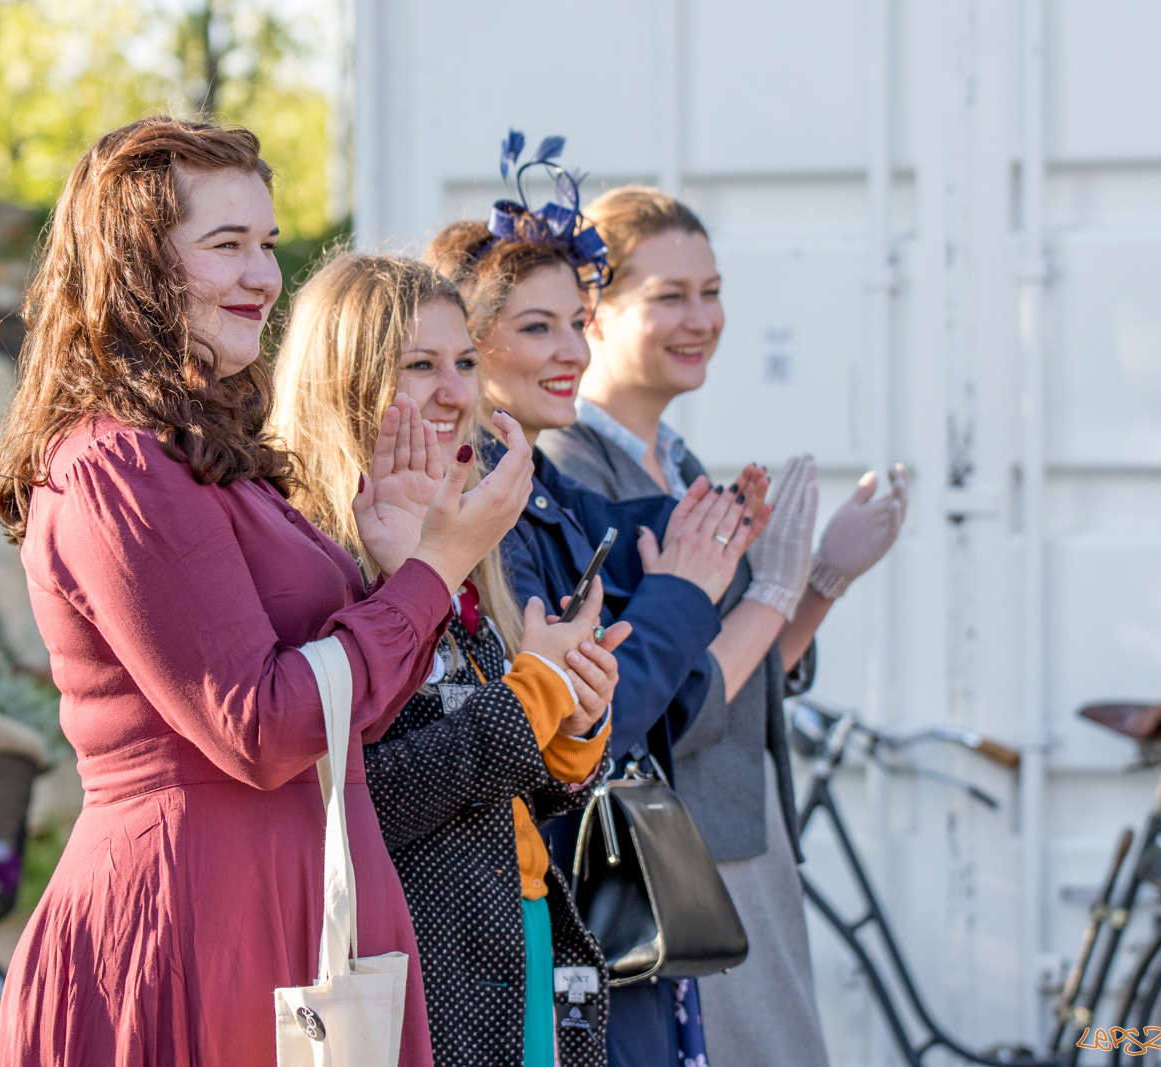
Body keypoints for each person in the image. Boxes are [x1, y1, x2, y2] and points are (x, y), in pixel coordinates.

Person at [0, 117, 537, 1066]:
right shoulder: (114, 464)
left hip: (290, 899)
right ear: (138, 270)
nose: (261, 276)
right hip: (194, 921)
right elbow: (260, 722)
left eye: (268, 245)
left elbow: (339, 713)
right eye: (225, 245)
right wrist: (435, 570)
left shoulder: (208, 454)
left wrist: (390, 561)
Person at [424, 133, 775, 1067]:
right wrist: (687, 586)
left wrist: (726, 530)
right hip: (549, 899)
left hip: (600, 905)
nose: (575, 350)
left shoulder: (550, 490)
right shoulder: (479, 507)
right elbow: (598, 716)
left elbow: (672, 681)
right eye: (539, 327)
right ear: (468, 345)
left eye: (578, 323)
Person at [539, 185, 910, 1067]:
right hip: (673, 857)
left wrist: (820, 578)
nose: (701, 317)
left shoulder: (679, 461)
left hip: (741, 834)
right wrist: (779, 585)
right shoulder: (571, 466)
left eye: (711, 291)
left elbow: (744, 680)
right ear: (594, 315)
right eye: (669, 296)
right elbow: (666, 703)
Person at [270, 251, 629, 1067]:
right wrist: (529, 695)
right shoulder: (314, 553)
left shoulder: (467, 538)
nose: (457, 392)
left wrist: (572, 725)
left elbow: (500, 784)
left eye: (464, 362)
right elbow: (363, 799)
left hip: (519, 939)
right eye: (420, 365)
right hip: (420, 973)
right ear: (348, 380)